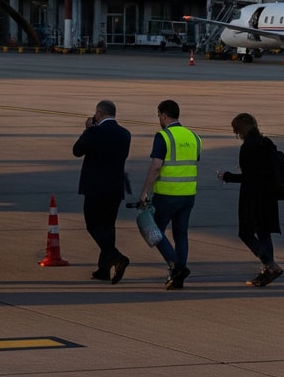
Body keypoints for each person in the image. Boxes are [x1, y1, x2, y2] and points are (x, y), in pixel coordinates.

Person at [137, 98, 199, 290]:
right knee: (181, 234)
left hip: (167, 194)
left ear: (163, 115)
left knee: (154, 231)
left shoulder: (164, 136)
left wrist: (145, 191)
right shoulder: (194, 136)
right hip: (188, 195)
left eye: (159, 115)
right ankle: (178, 277)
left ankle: (176, 266)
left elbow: (156, 166)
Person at [217, 112, 284, 286]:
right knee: (264, 232)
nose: (236, 134)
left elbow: (250, 177)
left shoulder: (248, 147)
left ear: (241, 129)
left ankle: (270, 265)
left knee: (245, 233)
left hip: (253, 197)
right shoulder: (267, 143)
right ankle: (268, 270)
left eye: (236, 130)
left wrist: (228, 176)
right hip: (270, 195)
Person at [72, 99, 131, 283]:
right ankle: (103, 269)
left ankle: (116, 257)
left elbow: (77, 150)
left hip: (96, 187)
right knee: (108, 226)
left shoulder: (95, 131)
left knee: (93, 224)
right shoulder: (125, 134)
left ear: (99, 114)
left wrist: (88, 129)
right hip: (115, 187)